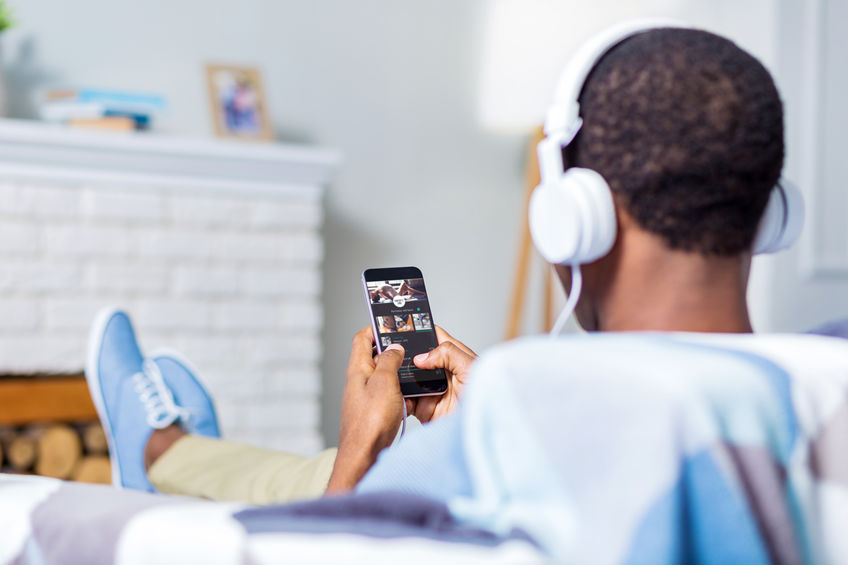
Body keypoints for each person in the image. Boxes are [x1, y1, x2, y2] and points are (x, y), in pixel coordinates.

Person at [86, 23, 790, 502]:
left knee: (317, 475)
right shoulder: (818, 384)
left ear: (574, 218)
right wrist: (493, 416)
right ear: (772, 213)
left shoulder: (602, 455)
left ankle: (157, 455)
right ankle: (170, 450)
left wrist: (359, 453)